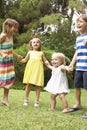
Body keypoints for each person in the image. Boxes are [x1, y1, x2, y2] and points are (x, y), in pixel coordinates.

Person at [20, 37, 51, 107]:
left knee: (38, 86)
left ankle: (37, 101)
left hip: (38, 71)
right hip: (30, 70)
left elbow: (45, 61)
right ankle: (26, 100)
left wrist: (49, 65)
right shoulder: (30, 52)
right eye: (34, 42)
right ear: (31, 45)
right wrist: (20, 59)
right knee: (28, 85)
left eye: (37, 42)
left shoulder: (41, 53)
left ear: (40, 44)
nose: (35, 43)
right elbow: (24, 60)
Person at [0, 18, 22, 106]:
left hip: (9, 61)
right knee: (1, 78)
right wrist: (2, 54)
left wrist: (17, 56)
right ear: (8, 27)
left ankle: (5, 99)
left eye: (16, 28)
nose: (16, 30)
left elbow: (10, 50)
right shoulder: (3, 36)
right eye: (14, 27)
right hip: (2, 61)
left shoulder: (11, 36)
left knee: (8, 78)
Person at [68, 14, 87, 118]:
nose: (78, 23)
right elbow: (77, 52)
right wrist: (71, 64)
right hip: (79, 67)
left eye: (81, 21)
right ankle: (78, 104)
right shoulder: (78, 38)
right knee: (76, 86)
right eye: (77, 22)